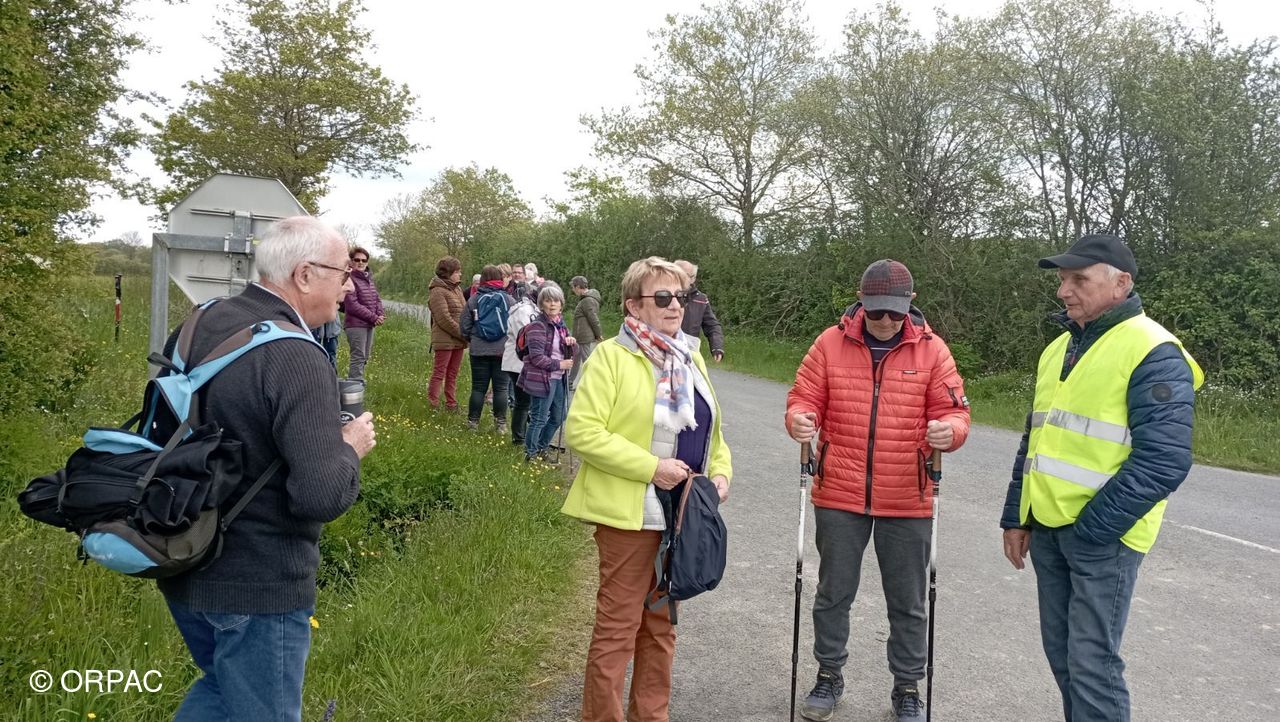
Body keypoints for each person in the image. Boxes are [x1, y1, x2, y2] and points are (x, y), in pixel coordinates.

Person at [158, 216, 376, 722]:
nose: (350, 287)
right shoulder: (296, 355)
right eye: (344, 273)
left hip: (181, 554)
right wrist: (350, 448)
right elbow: (321, 496)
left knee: (222, 690)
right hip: (258, 583)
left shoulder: (199, 322)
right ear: (305, 275)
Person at [1000, 234, 1202, 722]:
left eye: (1079, 280)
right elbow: (1036, 441)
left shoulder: (1153, 349)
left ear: (1121, 283)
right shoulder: (1060, 348)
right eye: (1061, 280)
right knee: (1064, 657)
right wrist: (1017, 516)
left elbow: (1164, 460)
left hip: (1103, 537)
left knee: (1091, 665)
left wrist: (1091, 531)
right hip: (1048, 528)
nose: (1063, 291)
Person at [785, 259, 970, 722]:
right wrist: (799, 419)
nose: (885, 320)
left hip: (907, 496)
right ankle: (828, 675)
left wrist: (950, 431)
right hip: (839, 491)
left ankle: (907, 687)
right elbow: (803, 397)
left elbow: (955, 412)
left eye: (894, 312)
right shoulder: (829, 343)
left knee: (908, 602)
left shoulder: (932, 350)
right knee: (833, 593)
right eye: (875, 311)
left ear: (910, 305)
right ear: (861, 303)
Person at [562, 256, 732, 722]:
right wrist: (651, 467)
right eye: (662, 297)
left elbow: (712, 431)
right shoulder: (611, 357)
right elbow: (582, 431)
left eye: (681, 296)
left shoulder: (689, 355)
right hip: (629, 515)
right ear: (633, 305)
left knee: (660, 627)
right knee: (618, 628)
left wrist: (721, 472)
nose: (675, 305)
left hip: (681, 514)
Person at [517, 284, 575, 462]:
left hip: (558, 378)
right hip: (541, 379)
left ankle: (541, 446)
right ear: (542, 304)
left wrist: (571, 344)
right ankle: (531, 455)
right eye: (548, 301)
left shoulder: (561, 325)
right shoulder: (537, 326)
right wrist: (560, 364)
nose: (552, 304)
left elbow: (571, 354)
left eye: (556, 300)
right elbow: (536, 358)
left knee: (559, 416)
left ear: (561, 304)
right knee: (539, 418)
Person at [460, 264, 511, 433]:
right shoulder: (508, 299)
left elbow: (464, 326)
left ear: (482, 280)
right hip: (502, 351)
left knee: (478, 388)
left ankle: (472, 423)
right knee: (501, 388)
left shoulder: (474, 299)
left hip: (478, 350)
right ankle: (501, 425)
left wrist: (472, 339)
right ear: (500, 279)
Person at [427, 256, 467, 411]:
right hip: (444, 339)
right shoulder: (437, 291)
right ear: (448, 273)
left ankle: (451, 403)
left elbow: (464, 311)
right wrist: (461, 333)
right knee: (439, 372)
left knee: (453, 373)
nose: (460, 274)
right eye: (457, 271)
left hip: (458, 339)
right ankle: (433, 403)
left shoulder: (457, 289)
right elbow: (443, 318)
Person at [502, 284, 539, 446]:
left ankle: (526, 435)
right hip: (518, 362)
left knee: (526, 402)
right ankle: (519, 438)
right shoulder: (524, 311)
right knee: (522, 402)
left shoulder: (533, 309)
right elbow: (524, 338)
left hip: (525, 361)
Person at [342, 246, 385, 381]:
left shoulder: (368, 279)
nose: (360, 263)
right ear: (351, 261)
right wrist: (374, 317)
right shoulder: (348, 279)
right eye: (357, 260)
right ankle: (355, 386)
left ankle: (357, 384)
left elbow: (376, 299)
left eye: (364, 260)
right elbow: (352, 305)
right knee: (358, 357)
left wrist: (380, 314)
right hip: (355, 325)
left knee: (365, 357)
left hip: (369, 324)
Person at [673, 260, 724, 362]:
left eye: (684, 275)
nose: (679, 278)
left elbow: (712, 325)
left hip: (689, 352)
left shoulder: (701, 299)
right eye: (676, 273)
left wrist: (717, 347)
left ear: (693, 278)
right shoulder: (662, 296)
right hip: (663, 349)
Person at [569, 275, 604, 390]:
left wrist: (598, 334)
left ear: (578, 287)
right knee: (576, 359)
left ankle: (591, 384)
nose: (573, 290)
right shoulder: (587, 299)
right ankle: (570, 382)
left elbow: (593, 319)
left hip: (584, 337)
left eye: (573, 287)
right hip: (580, 336)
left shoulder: (587, 300)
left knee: (587, 361)